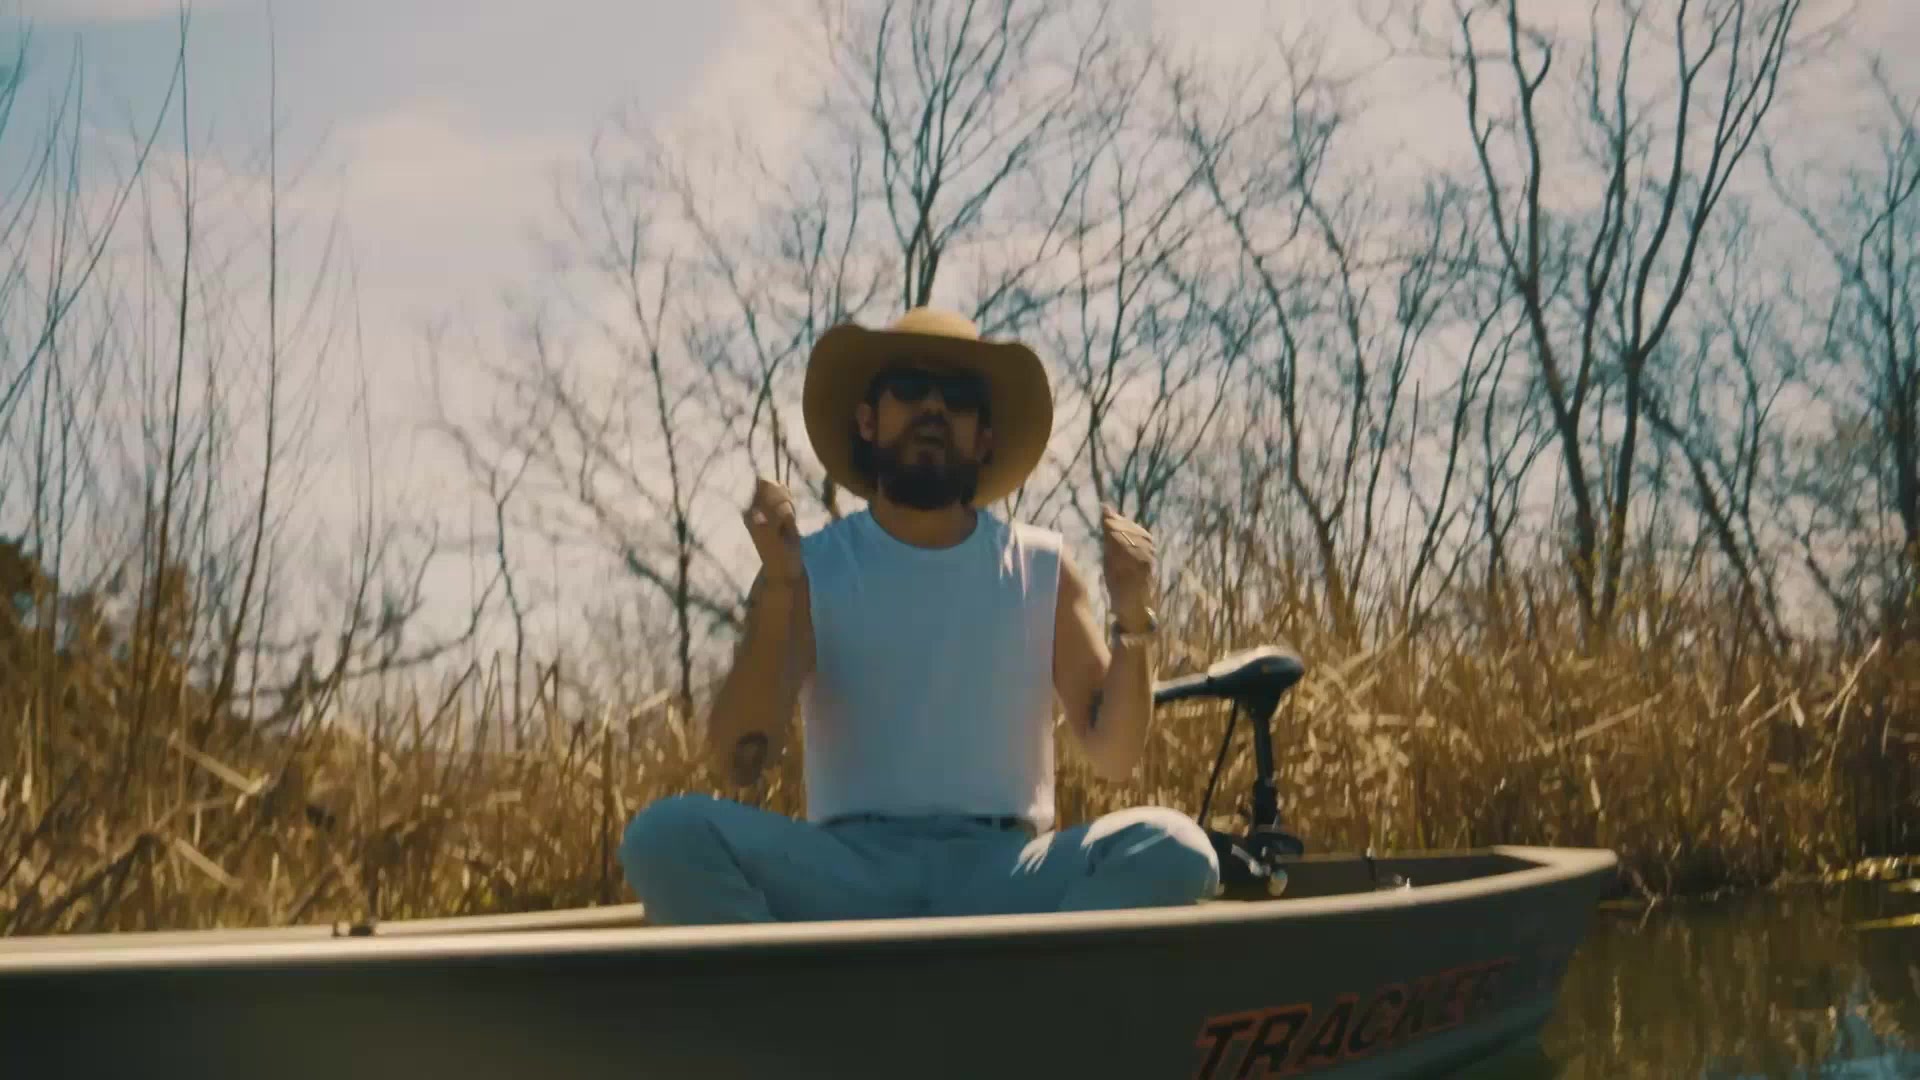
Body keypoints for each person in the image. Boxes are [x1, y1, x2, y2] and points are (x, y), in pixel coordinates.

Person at [617, 306, 1220, 925]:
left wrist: (1134, 620)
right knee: (663, 835)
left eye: (957, 398)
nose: (933, 408)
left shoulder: (1043, 567)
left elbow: (1114, 758)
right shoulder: (806, 569)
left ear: (983, 438)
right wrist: (777, 587)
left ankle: (1032, 987)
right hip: (849, 873)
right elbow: (739, 762)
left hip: (1005, 873)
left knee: (1174, 845)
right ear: (868, 422)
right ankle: (802, 995)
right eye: (908, 389)